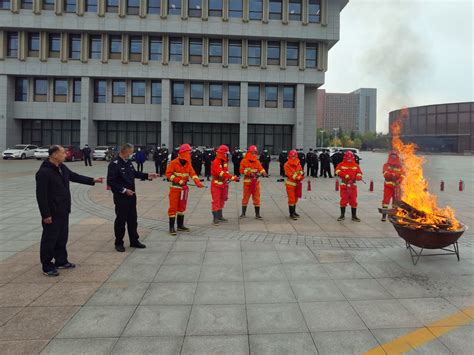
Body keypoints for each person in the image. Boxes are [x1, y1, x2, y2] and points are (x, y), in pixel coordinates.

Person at [36, 145, 103, 276]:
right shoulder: (44, 172)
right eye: (63, 152)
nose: (65, 154)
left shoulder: (61, 167)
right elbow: (41, 196)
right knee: (49, 239)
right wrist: (45, 214)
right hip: (52, 212)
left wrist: (92, 180)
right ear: (54, 154)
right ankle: (47, 265)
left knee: (62, 237)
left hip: (63, 209)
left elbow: (74, 176)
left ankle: (61, 261)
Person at [107, 143, 158, 252]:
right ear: (125, 151)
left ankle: (134, 240)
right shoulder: (114, 164)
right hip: (121, 198)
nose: (132, 154)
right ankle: (119, 242)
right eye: (131, 152)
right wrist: (124, 190)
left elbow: (134, 173)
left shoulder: (128, 162)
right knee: (121, 221)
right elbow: (111, 182)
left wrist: (148, 175)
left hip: (132, 196)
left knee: (133, 220)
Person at [166, 144, 204, 235]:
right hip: (175, 188)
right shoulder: (174, 163)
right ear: (184, 153)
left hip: (184, 189)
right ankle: (171, 228)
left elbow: (193, 173)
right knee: (173, 207)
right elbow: (168, 174)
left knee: (182, 207)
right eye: (189, 152)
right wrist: (178, 181)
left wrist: (197, 182)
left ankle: (180, 226)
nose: (190, 154)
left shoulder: (188, 163)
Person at [210, 145, 240, 225]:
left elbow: (225, 172)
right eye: (226, 153)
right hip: (216, 184)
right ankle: (215, 219)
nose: (227, 155)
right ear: (222, 153)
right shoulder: (216, 162)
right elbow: (221, 173)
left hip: (223, 184)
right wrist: (232, 177)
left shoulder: (224, 161)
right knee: (216, 200)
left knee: (222, 199)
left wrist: (231, 177)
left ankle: (220, 216)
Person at [240, 145, 267, 219]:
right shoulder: (244, 161)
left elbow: (260, 168)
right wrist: (249, 173)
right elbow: (241, 170)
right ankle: (243, 214)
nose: (254, 154)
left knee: (257, 198)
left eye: (255, 153)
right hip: (247, 183)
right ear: (249, 152)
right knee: (245, 197)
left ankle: (257, 214)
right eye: (253, 152)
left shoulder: (257, 161)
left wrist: (263, 172)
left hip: (255, 183)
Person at [335, 151, 363, 222]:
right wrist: (344, 175)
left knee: (354, 200)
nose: (349, 159)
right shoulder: (341, 165)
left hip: (353, 186)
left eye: (351, 158)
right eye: (348, 158)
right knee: (343, 200)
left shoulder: (356, 165)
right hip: (344, 185)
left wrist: (358, 177)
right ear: (345, 157)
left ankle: (354, 216)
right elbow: (337, 171)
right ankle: (342, 215)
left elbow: (359, 172)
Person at [381, 151, 404, 221]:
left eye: (395, 156)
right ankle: (384, 216)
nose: (393, 157)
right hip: (388, 186)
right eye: (392, 156)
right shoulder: (386, 165)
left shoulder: (400, 166)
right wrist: (392, 175)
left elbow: (402, 175)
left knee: (396, 202)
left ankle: (393, 216)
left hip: (396, 187)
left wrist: (399, 180)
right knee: (385, 201)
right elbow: (385, 174)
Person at [284, 150, 305, 220]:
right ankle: (291, 214)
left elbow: (301, 171)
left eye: (294, 156)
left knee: (296, 198)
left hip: (297, 184)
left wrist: (301, 175)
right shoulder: (286, 165)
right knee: (291, 199)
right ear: (289, 156)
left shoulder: (298, 163)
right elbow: (290, 175)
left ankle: (294, 212)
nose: (293, 157)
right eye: (292, 156)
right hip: (290, 184)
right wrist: (298, 177)